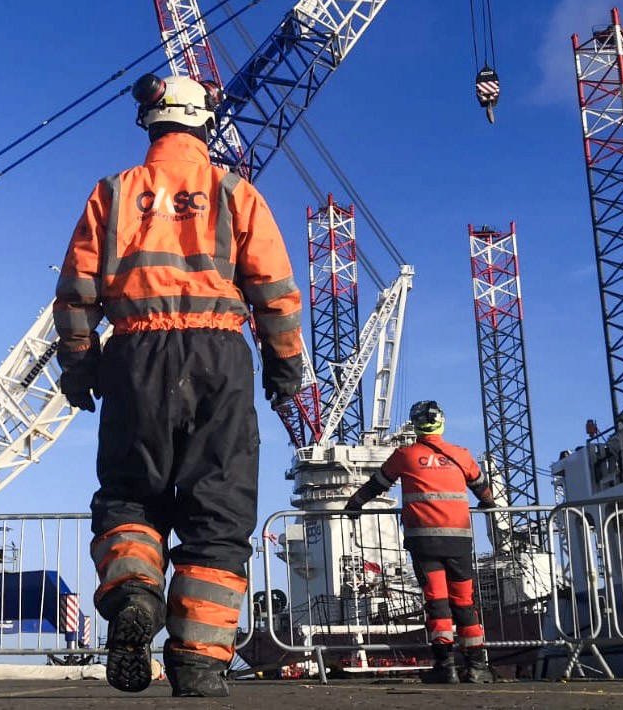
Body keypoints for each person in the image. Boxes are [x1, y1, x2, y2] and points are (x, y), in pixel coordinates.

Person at [52, 73, 305, 698]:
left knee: (131, 497)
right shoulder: (234, 191)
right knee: (216, 514)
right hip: (219, 353)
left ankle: (136, 593)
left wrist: (80, 365)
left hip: (134, 354)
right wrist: (283, 366)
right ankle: (197, 662)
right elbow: (274, 288)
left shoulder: (113, 192)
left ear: (151, 124)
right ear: (205, 123)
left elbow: (77, 291)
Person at [343, 400, 496, 684]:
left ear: (415, 426)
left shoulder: (405, 455)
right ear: (442, 423)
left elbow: (377, 484)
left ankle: (444, 666)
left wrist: (355, 504)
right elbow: (483, 490)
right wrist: (488, 503)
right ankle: (477, 666)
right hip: (459, 540)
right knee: (464, 602)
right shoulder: (461, 455)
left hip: (424, 541)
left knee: (437, 602)